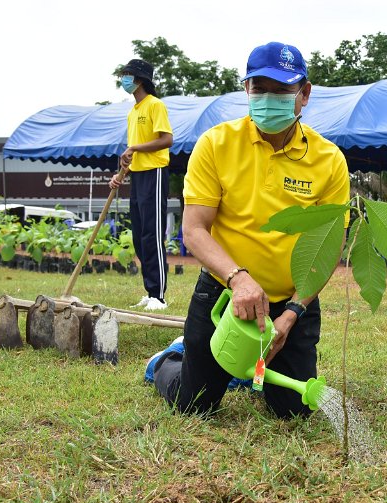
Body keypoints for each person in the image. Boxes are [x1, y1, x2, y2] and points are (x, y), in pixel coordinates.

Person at [148, 42, 350, 420]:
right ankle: (167, 361)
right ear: (246, 90)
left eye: (281, 91)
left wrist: (291, 313)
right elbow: (194, 230)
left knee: (292, 412)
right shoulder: (216, 144)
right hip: (224, 293)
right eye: (259, 89)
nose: (267, 99)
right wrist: (238, 279)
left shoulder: (329, 161)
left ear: (304, 94)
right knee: (194, 405)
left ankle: (244, 367)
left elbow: (328, 249)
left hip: (290, 302)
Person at [109, 59, 173, 311]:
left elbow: (166, 139)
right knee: (139, 236)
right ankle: (150, 292)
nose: (124, 79)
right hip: (137, 175)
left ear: (140, 79)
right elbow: (130, 153)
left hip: (155, 173)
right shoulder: (133, 112)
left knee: (152, 234)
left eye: (128, 75)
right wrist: (120, 175)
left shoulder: (155, 105)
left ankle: (159, 295)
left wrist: (134, 147)